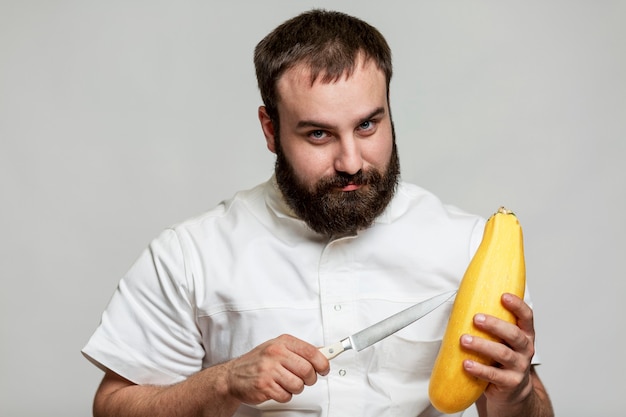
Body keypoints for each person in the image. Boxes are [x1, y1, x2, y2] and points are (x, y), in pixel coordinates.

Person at [82, 9, 554, 417]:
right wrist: (223, 382)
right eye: (318, 135)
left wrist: (518, 391)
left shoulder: (474, 248)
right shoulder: (190, 255)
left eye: (368, 124)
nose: (351, 161)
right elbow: (114, 406)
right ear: (271, 130)